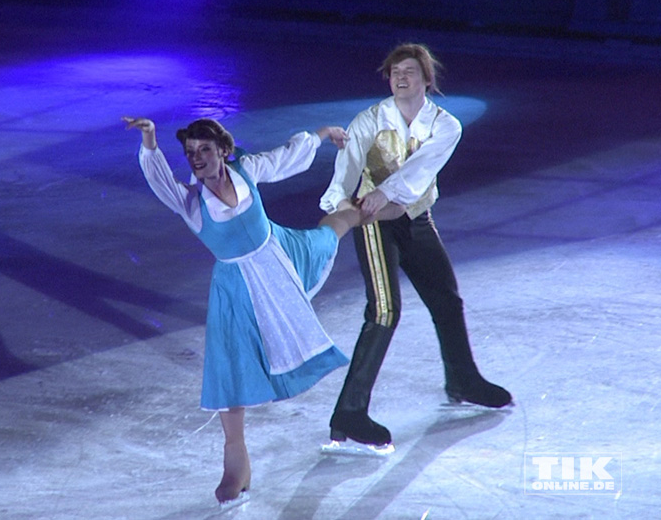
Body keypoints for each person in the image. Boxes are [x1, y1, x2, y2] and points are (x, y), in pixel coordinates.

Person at [122, 116, 402, 506]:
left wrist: (322, 133)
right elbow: (159, 180)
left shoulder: (245, 169)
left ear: (223, 150)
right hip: (235, 289)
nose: (197, 159)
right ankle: (236, 465)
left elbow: (285, 158)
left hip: (279, 256)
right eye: (190, 153)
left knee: (329, 231)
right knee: (228, 368)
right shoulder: (190, 201)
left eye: (204, 150)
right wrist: (150, 141)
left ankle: (381, 205)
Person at [319, 43, 513, 450]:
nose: (400, 76)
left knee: (446, 299)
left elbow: (419, 172)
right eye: (394, 72)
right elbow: (346, 170)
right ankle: (349, 412)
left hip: (415, 218)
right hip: (373, 224)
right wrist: (340, 207)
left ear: (427, 78)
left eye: (409, 70)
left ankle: (462, 379)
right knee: (385, 311)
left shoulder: (445, 126)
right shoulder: (370, 119)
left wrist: (384, 194)